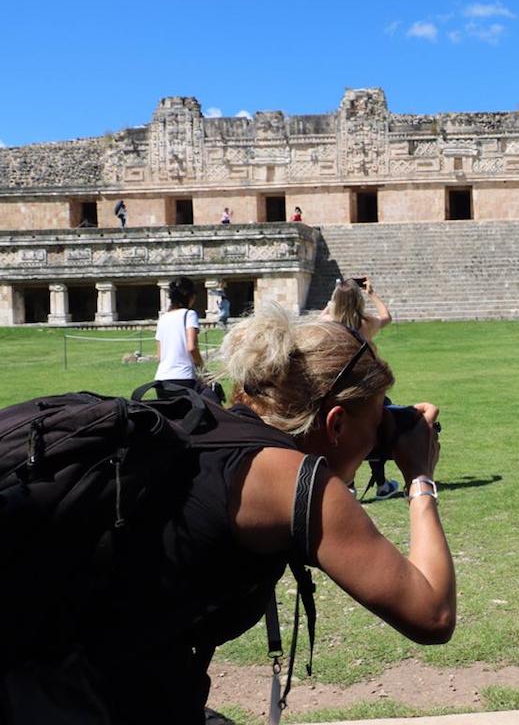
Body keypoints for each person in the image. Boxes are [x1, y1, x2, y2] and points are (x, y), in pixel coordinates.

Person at [1, 307, 454, 722]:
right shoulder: (289, 479)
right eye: (376, 424)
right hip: (68, 699)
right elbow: (431, 614)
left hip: (64, 673)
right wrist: (419, 476)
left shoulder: (212, 423)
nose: (379, 437)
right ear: (335, 424)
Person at [321, 277, 401, 499]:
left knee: (344, 434)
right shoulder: (366, 323)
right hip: (367, 386)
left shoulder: (329, 322)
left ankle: (349, 484)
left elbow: (315, 322)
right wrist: (372, 293)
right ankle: (382, 484)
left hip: (339, 387)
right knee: (374, 432)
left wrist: (332, 300)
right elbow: (387, 317)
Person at [156, 276, 204, 392]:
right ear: (190, 297)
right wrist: (202, 367)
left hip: (162, 378)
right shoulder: (189, 314)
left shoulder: (163, 318)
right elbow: (191, 347)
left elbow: (159, 356)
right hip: (183, 376)